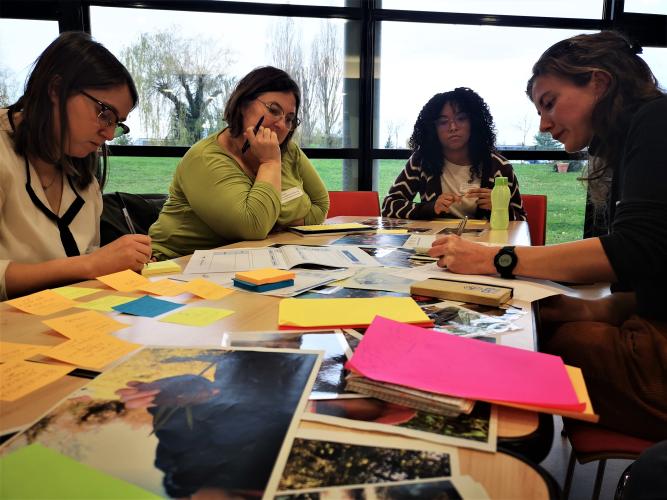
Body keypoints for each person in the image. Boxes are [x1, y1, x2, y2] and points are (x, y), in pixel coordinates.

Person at [428, 31, 667, 440]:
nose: (544, 123)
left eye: (550, 103)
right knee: (547, 328)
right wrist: (589, 309)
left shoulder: (656, 121)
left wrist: (496, 257)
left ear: (599, 82)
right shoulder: (636, 135)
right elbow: (656, 278)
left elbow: (637, 248)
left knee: (533, 350)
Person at [0, 32, 152, 301]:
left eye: (117, 124)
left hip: (69, 321)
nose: (108, 134)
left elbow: (87, 257)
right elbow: (85, 264)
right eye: (104, 113)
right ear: (56, 90)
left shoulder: (82, 173)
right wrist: (90, 265)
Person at [149, 66, 330, 260]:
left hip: (246, 260)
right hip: (176, 264)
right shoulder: (205, 158)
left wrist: (273, 216)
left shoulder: (287, 151)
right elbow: (254, 226)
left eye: (289, 119)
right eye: (273, 110)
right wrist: (269, 163)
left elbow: (321, 205)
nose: (281, 125)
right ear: (243, 104)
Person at [382, 87, 526, 221]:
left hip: (483, 246)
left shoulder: (499, 166)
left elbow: (521, 219)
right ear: (433, 129)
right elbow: (388, 207)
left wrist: (500, 208)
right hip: (436, 244)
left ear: (474, 123)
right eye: (443, 122)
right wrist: (430, 208)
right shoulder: (421, 161)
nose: (453, 127)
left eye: (461, 119)